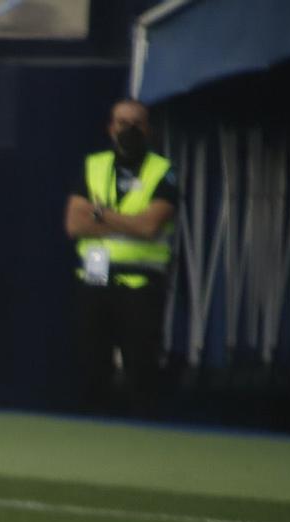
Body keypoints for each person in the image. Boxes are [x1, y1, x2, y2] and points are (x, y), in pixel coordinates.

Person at [64, 97, 178, 417]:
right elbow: (74, 224)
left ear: (148, 129)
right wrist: (125, 220)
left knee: (141, 368)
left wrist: (101, 214)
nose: (129, 130)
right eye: (122, 123)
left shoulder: (163, 173)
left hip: (141, 282)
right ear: (110, 128)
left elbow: (149, 227)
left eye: (136, 124)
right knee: (91, 365)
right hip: (95, 276)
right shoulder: (94, 166)